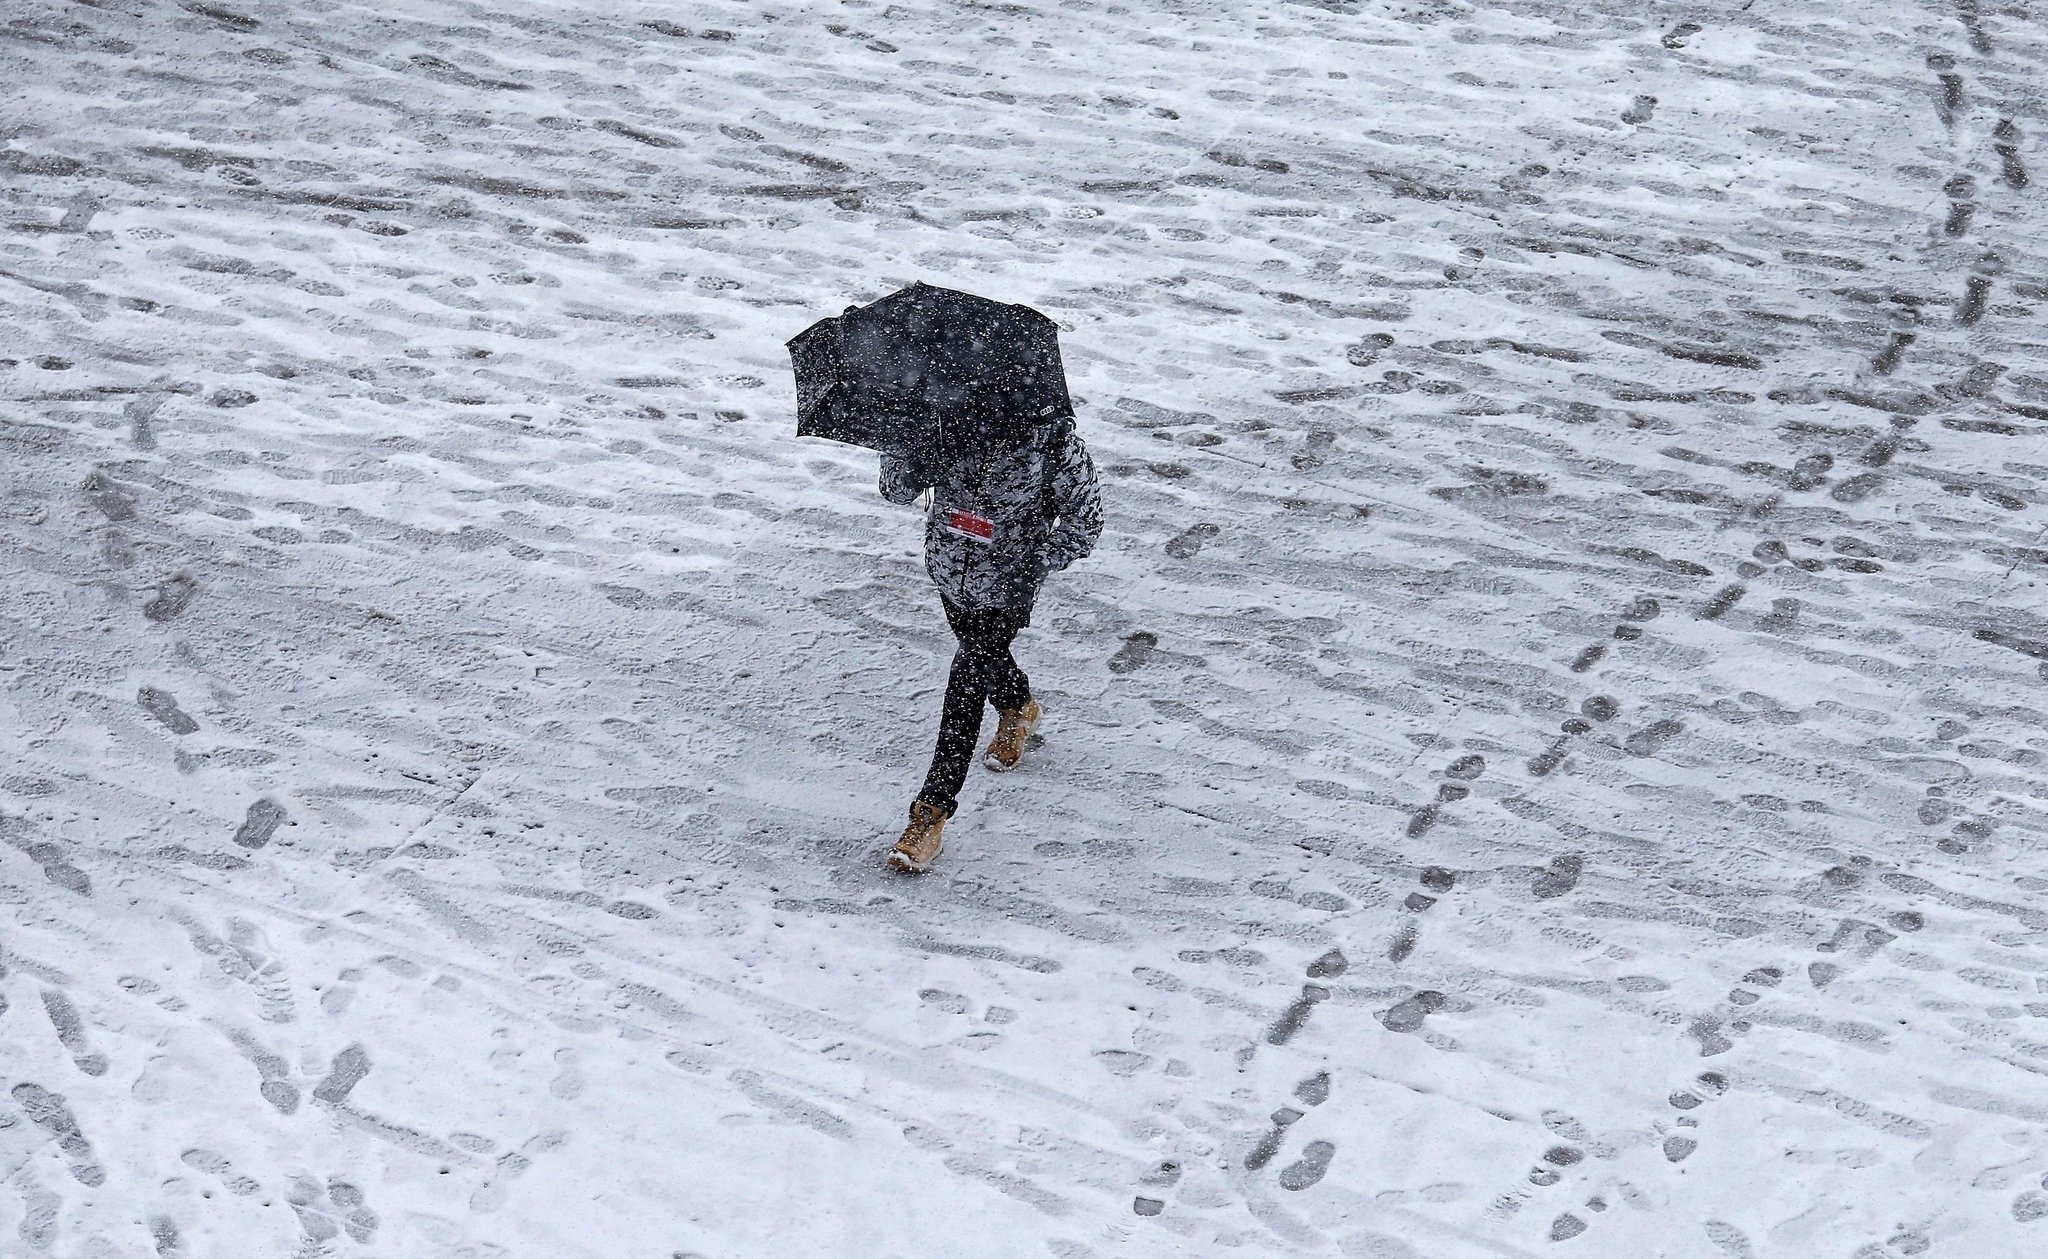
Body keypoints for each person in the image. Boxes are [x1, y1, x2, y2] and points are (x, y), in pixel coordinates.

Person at [878, 414, 1103, 872]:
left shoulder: (1052, 441)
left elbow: (1086, 522)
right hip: (948, 571)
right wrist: (913, 456)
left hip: (1007, 589)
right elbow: (895, 490)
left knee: (966, 678)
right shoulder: (935, 421)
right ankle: (1019, 706)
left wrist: (1033, 564)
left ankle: (931, 812)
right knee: (984, 659)